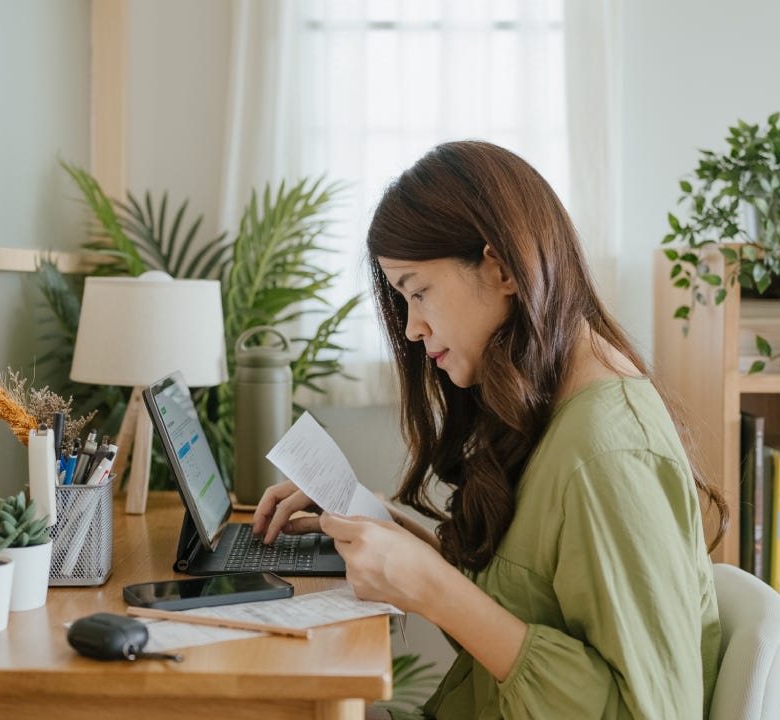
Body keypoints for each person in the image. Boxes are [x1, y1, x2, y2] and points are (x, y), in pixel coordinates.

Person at [253, 141, 728, 719]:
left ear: (502, 269)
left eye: (418, 291)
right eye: (403, 300)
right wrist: (393, 536)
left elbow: (652, 712)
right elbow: (522, 617)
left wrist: (434, 588)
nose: (411, 328)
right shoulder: (553, 405)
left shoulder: (608, 453)